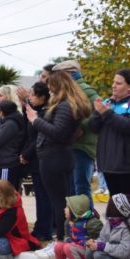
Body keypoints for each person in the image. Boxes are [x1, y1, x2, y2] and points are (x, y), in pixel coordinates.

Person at [25, 71, 91, 244]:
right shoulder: (69, 104)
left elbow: (58, 133)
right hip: (57, 156)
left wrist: (35, 120)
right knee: (61, 201)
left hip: (55, 157)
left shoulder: (65, 105)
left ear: (57, 86)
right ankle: (65, 238)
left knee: (59, 202)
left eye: (50, 85)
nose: (48, 90)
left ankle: (61, 240)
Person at [89, 69, 130, 228]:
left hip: (127, 163)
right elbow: (93, 127)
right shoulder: (109, 102)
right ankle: (117, 237)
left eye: (118, 83)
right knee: (115, 202)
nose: (113, 86)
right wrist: (98, 113)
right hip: (109, 162)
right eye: (113, 83)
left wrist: (107, 113)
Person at [52, 59, 99, 205]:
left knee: (81, 189)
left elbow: (97, 115)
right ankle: (75, 224)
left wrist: (76, 126)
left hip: (82, 146)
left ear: (70, 74)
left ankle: (87, 225)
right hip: (69, 146)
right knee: (72, 189)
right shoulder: (66, 92)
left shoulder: (86, 91)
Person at [19, 82, 52, 240]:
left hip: (41, 159)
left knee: (44, 196)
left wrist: (26, 154)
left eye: (32, 95)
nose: (30, 97)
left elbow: (38, 137)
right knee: (40, 196)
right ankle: (41, 227)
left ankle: (44, 230)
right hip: (35, 160)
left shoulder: (44, 114)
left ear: (42, 97)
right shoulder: (35, 111)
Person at [47, 194, 101, 259]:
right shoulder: (69, 222)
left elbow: (98, 241)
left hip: (88, 252)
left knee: (68, 247)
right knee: (58, 246)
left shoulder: (92, 222)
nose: (64, 209)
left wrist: (84, 242)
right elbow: (67, 236)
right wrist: (68, 239)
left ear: (75, 210)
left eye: (67, 208)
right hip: (76, 248)